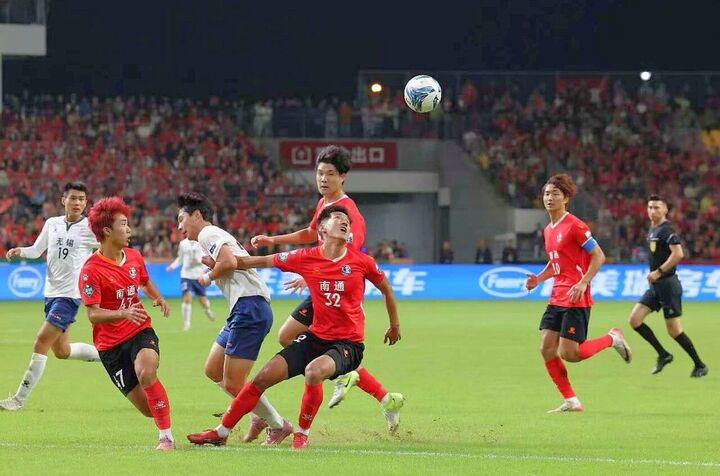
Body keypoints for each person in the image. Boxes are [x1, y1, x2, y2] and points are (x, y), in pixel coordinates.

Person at [187, 204, 401, 449]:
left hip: (348, 344)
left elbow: (386, 289)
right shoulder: (306, 257)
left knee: (313, 372)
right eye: (338, 218)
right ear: (322, 228)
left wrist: (394, 325)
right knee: (261, 378)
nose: (345, 222)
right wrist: (221, 262)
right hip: (315, 338)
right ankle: (221, 432)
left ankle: (301, 435)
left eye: (347, 221)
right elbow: (260, 261)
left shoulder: (362, 262)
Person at [249, 145, 404, 433]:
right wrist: (274, 240)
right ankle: (381, 395)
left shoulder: (349, 212)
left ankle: (343, 375)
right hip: (321, 283)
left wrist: (313, 273)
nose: (323, 179)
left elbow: (347, 258)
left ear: (342, 177)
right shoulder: (324, 204)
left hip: (338, 291)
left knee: (298, 341)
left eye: (330, 174)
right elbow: (311, 234)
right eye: (320, 173)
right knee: (288, 337)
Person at [177, 192, 292, 445]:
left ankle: (277, 424)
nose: (179, 227)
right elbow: (229, 262)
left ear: (197, 215)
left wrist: (208, 276)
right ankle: (258, 414)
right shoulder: (211, 238)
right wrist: (213, 265)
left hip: (250, 307)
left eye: (181, 219)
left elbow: (228, 262)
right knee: (213, 369)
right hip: (242, 308)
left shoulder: (208, 233)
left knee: (233, 382)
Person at [525, 174, 632, 413]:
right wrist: (538, 279)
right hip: (557, 296)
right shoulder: (548, 230)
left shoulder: (576, 226)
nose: (549, 198)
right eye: (546, 193)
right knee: (546, 348)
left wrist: (584, 282)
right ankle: (571, 401)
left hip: (575, 297)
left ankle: (612, 338)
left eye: (555, 194)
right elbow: (557, 262)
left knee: (570, 354)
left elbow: (599, 255)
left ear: (566, 198)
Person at [79, 196, 175, 450]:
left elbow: (144, 280)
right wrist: (122, 313)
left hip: (139, 329)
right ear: (107, 231)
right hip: (110, 346)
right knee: (148, 409)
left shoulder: (133, 256)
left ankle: (166, 437)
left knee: (146, 371)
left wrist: (158, 297)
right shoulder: (91, 270)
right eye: (123, 224)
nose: (129, 229)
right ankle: (160, 411)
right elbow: (93, 314)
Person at [1, 181, 101, 412]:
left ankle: (18, 400)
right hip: (50, 294)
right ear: (63, 200)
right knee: (62, 351)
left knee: (41, 342)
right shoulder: (52, 223)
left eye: (82, 199)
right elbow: (37, 250)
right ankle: (107, 355)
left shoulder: (90, 228)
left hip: (69, 296)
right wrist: (20, 251)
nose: (77, 203)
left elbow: (110, 245)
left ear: (86, 203)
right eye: (73, 198)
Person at [628, 195, 708, 377]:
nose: (652, 211)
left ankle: (700, 365)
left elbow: (678, 253)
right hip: (655, 287)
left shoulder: (666, 230)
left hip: (668, 286)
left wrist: (659, 271)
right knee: (634, 320)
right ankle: (663, 354)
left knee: (674, 331)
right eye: (650, 207)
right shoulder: (652, 229)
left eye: (657, 207)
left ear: (665, 210)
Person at [166, 238, 215, 331]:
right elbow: (180, 259)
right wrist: (172, 266)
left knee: (203, 301)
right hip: (186, 275)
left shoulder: (201, 243)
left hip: (198, 275)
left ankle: (207, 310)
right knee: (187, 298)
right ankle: (187, 324)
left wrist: (200, 264)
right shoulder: (183, 243)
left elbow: (206, 260)